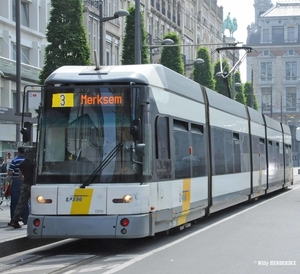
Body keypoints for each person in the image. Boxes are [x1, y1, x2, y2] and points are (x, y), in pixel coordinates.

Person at [10, 156, 35, 228]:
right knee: (36, 202)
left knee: (21, 203)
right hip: (33, 185)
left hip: (25, 184)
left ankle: (15, 220)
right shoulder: (34, 163)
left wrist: (25, 179)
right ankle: (28, 219)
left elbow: (20, 176)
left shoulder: (22, 164)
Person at [7, 147, 29, 226]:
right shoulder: (28, 161)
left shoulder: (15, 160)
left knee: (14, 201)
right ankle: (26, 219)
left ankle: (13, 219)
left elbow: (10, 172)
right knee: (25, 201)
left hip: (16, 181)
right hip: (26, 181)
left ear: (18, 152)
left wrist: (13, 173)